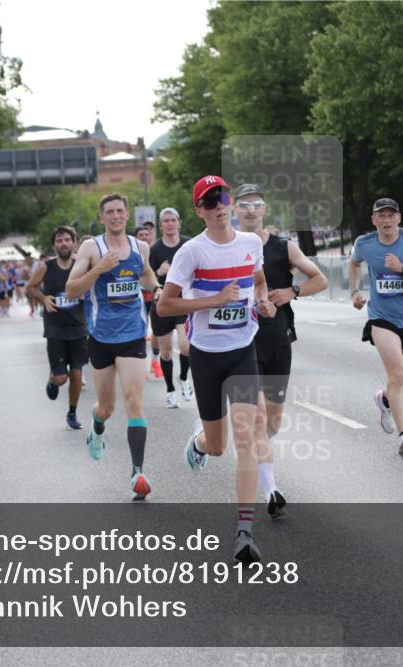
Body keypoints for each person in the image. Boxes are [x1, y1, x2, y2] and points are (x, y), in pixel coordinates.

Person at [157, 175, 277, 563]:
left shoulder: (250, 243)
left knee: (247, 436)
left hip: (242, 350)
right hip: (206, 356)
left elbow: (257, 279)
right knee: (220, 445)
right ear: (200, 211)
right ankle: (200, 443)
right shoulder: (191, 252)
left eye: (223, 198)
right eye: (210, 202)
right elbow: (164, 306)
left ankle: (244, 533)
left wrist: (262, 302)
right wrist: (211, 300)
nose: (220, 206)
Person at [234, 183, 329, 517]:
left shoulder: (282, 246)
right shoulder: (227, 248)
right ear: (234, 210)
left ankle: (252, 451)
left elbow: (320, 279)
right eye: (243, 205)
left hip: (278, 339)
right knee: (258, 417)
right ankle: (271, 489)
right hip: (241, 342)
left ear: (264, 209)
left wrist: (292, 292)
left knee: (273, 419)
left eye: (255, 204)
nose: (250, 210)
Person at [65, 193, 160, 500]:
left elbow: (145, 275)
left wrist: (157, 288)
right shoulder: (92, 247)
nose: (116, 216)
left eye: (121, 211)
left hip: (132, 334)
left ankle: (137, 472)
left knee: (134, 401)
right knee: (107, 407)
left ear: (127, 214)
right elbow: (71, 288)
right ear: (102, 216)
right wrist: (99, 270)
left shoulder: (139, 247)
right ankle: (97, 425)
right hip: (102, 338)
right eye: (110, 212)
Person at [348, 197, 403, 460]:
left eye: (391, 215)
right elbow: (354, 263)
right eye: (381, 216)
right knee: (397, 375)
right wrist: (354, 291)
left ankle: (384, 400)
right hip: (381, 318)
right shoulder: (364, 244)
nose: (386, 220)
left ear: (399, 218)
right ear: (374, 220)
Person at [28, 226, 90, 430]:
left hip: (79, 326)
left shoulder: (81, 266)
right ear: (54, 245)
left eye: (67, 240)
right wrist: (43, 297)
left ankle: (72, 413)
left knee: (77, 373)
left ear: (74, 243)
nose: (63, 243)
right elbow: (30, 287)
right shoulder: (47, 267)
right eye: (59, 240)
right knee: (61, 377)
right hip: (55, 328)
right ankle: (53, 380)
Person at [149, 207, 194, 408]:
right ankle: (170, 390)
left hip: (184, 302)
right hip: (162, 305)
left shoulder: (189, 245)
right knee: (166, 353)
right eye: (166, 221)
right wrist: (160, 271)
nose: (169, 223)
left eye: (172, 220)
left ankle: (183, 377)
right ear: (161, 225)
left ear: (178, 223)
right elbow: (146, 278)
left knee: (186, 347)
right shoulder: (155, 250)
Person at [135, 222, 163, 379]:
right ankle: (143, 364)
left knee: (158, 331)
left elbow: (158, 275)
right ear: (136, 238)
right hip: (138, 297)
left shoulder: (155, 252)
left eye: (147, 234)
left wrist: (158, 275)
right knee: (142, 331)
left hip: (154, 295)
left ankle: (155, 361)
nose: (145, 237)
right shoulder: (130, 253)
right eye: (141, 235)